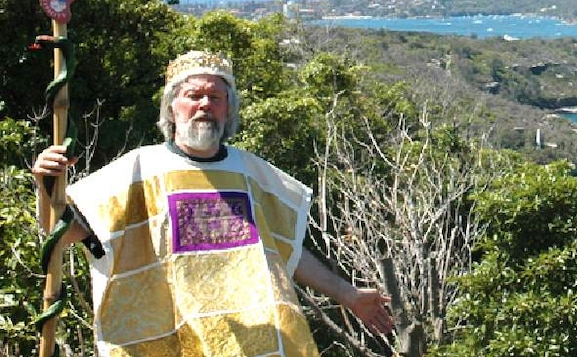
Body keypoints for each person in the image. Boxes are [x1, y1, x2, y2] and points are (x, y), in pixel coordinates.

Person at [33, 50, 393, 356]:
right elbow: (60, 235)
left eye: (215, 97)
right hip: (171, 339)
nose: (204, 104)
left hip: (254, 342)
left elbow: (287, 252)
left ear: (227, 111)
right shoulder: (139, 170)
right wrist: (44, 184)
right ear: (172, 109)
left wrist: (348, 294)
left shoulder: (253, 174)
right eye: (193, 95)